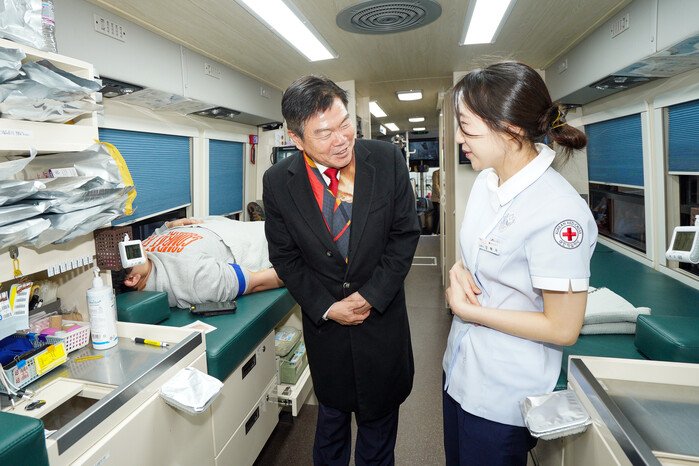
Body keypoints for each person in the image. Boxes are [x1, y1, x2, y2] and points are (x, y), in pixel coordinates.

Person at [442, 62, 598, 465]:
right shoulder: (486, 181)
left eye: (466, 127)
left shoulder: (559, 211)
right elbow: (480, 252)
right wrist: (458, 269)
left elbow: (563, 328)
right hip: (459, 370)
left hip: (503, 395)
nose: (458, 138)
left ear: (509, 130)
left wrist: (470, 311)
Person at [263, 75, 420, 465]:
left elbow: (404, 235)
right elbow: (285, 258)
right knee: (330, 427)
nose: (341, 139)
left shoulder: (386, 159)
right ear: (296, 139)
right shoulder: (278, 182)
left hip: (381, 324)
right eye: (324, 132)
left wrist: (370, 296)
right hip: (327, 332)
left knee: (378, 435)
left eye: (345, 123)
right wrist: (327, 307)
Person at [123, 217, 283, 308]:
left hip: (209, 224)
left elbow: (154, 237)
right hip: (244, 239)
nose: (127, 246)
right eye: (125, 253)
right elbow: (257, 282)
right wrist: (295, 270)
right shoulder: (193, 280)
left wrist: (168, 226)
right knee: (285, 225)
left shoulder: (140, 257)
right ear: (132, 279)